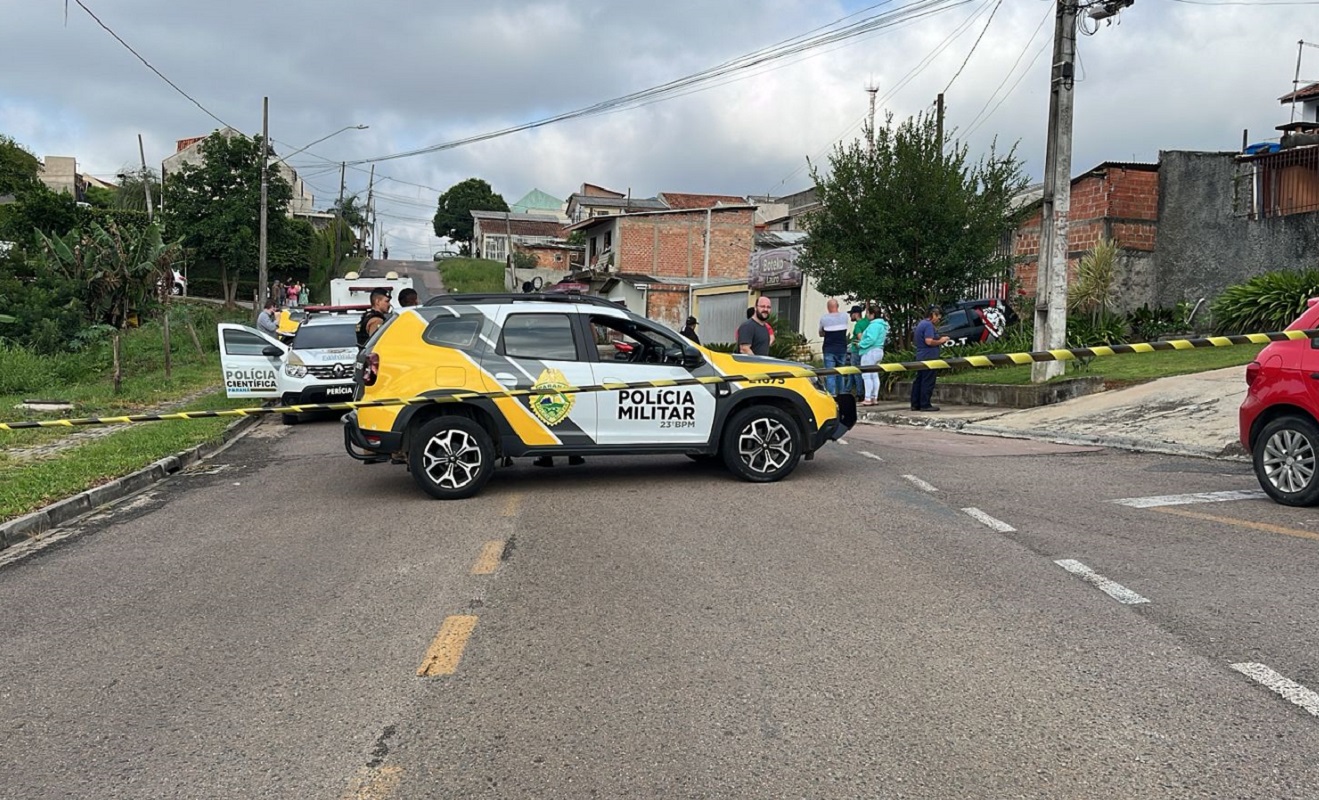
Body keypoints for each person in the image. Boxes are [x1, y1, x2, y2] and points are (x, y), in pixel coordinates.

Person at [912, 304, 951, 412]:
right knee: (927, 381)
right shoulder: (928, 325)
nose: (939, 319)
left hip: (921, 356)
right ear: (933, 314)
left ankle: (915, 403)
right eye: (938, 316)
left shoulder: (921, 323)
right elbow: (929, 341)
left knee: (919, 380)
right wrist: (941, 340)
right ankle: (925, 404)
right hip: (929, 357)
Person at [857, 306, 889, 406]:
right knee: (874, 375)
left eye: (868, 313)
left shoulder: (873, 326)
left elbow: (871, 339)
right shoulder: (883, 325)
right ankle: (874, 397)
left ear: (872, 314)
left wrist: (860, 344)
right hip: (879, 350)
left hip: (870, 351)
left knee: (867, 375)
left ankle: (867, 398)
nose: (866, 315)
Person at [818, 298, 849, 395]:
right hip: (842, 348)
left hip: (829, 348)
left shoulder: (824, 318)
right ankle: (842, 394)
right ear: (838, 306)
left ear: (828, 308)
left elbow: (821, 333)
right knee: (841, 373)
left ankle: (832, 395)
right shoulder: (844, 316)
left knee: (830, 374)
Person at [847, 304, 868, 397]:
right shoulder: (867, 322)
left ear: (856, 314)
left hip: (856, 350)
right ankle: (846, 390)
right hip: (866, 351)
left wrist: (858, 343)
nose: (850, 316)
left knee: (856, 372)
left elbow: (861, 338)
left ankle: (860, 393)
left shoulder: (858, 325)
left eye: (851, 314)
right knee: (852, 372)